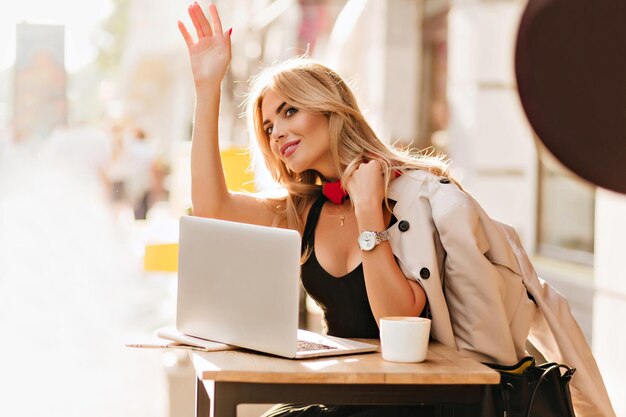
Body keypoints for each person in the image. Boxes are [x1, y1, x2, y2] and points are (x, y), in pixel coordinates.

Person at [177, 4, 615, 417]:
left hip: (424, 402)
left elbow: (397, 319)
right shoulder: (303, 210)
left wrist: (369, 214)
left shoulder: (419, 197)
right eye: (269, 127)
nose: (277, 133)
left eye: (289, 111)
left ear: (330, 109)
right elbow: (212, 206)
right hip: (345, 396)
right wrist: (207, 87)